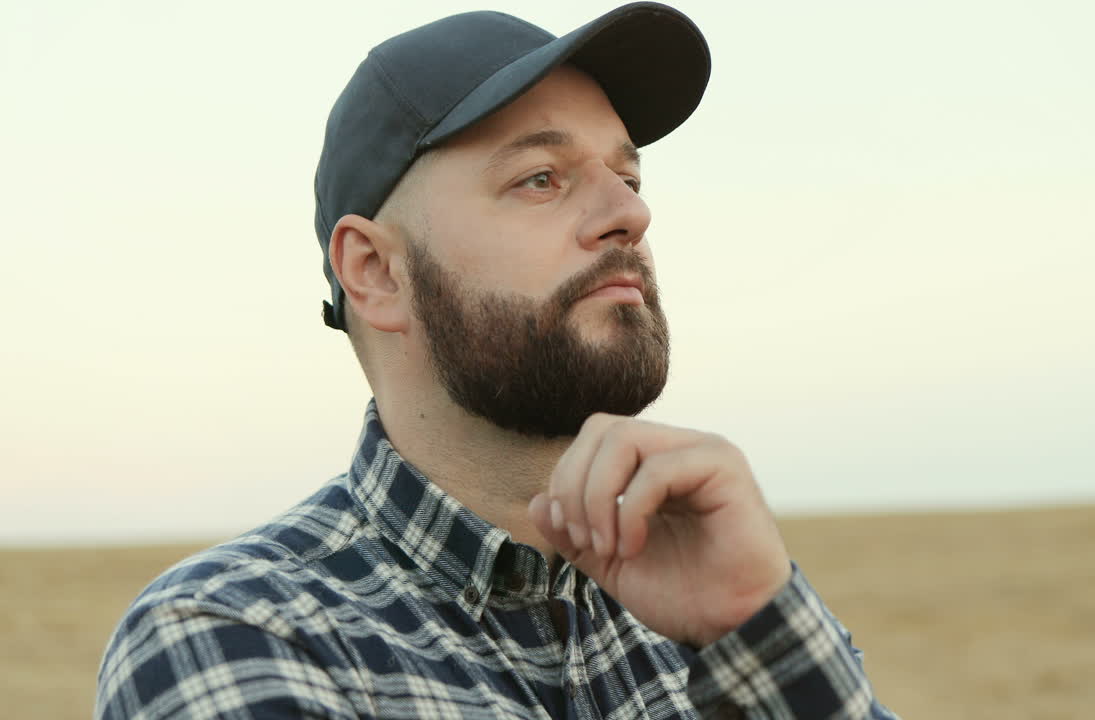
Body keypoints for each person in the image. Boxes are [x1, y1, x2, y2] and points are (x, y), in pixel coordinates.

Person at [95, 3, 897, 718]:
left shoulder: (709, 613)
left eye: (627, 174)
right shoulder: (244, 633)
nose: (631, 212)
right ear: (376, 272)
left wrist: (759, 627)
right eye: (541, 178)